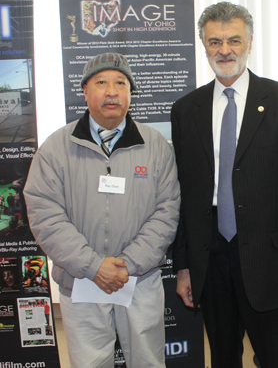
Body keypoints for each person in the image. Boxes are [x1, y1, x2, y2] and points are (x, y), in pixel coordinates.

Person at [171, 2, 278, 368]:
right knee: (223, 358)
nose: (225, 49)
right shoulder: (186, 109)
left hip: (272, 260)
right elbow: (184, 194)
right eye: (215, 41)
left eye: (234, 39)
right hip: (211, 257)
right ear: (204, 46)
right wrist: (185, 265)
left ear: (250, 43)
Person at [24, 52, 180, 368]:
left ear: (130, 93)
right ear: (85, 91)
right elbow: (45, 213)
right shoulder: (56, 147)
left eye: (120, 83)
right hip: (80, 279)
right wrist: (93, 265)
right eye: (101, 82)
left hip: (138, 278)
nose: (111, 91)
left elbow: (167, 210)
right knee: (89, 363)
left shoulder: (156, 146)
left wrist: (128, 263)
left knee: (148, 361)